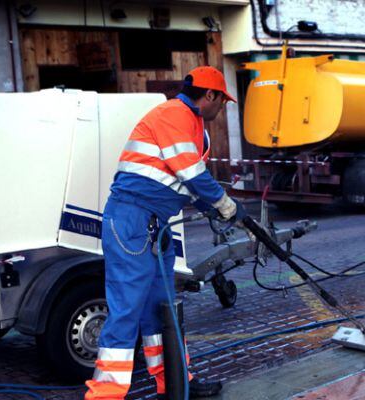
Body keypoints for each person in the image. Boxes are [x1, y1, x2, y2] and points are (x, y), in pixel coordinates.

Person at [85, 66, 242, 399]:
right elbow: (191, 173)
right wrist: (226, 205)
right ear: (210, 95)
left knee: (163, 310)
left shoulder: (192, 123)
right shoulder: (175, 113)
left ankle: (174, 381)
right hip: (132, 223)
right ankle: (104, 395)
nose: (222, 108)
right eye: (223, 101)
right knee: (126, 311)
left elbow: (180, 181)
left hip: (155, 226)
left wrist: (209, 206)